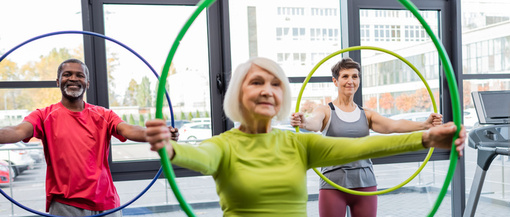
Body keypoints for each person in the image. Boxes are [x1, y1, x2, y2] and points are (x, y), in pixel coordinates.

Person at [144, 57, 465, 217]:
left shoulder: (297, 145)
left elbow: (368, 143)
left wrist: (425, 137)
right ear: (237, 93)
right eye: (256, 82)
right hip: (334, 187)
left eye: (276, 84)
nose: (268, 90)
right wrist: (169, 148)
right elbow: (199, 157)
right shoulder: (223, 145)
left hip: (364, 183)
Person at [0, 59, 179, 216]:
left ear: (87, 83)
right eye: (67, 74)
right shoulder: (44, 115)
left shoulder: (103, 114)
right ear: (57, 81)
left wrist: (156, 133)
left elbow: (129, 130)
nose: (73, 78)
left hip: (106, 203)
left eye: (80, 75)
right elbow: (17, 131)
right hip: (66, 206)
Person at [289, 57, 442, 217]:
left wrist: (425, 125)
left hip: (365, 183)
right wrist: (304, 122)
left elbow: (393, 125)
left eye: (355, 76)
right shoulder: (326, 110)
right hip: (332, 185)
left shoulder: (366, 114)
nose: (351, 81)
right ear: (335, 81)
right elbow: (314, 123)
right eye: (345, 76)